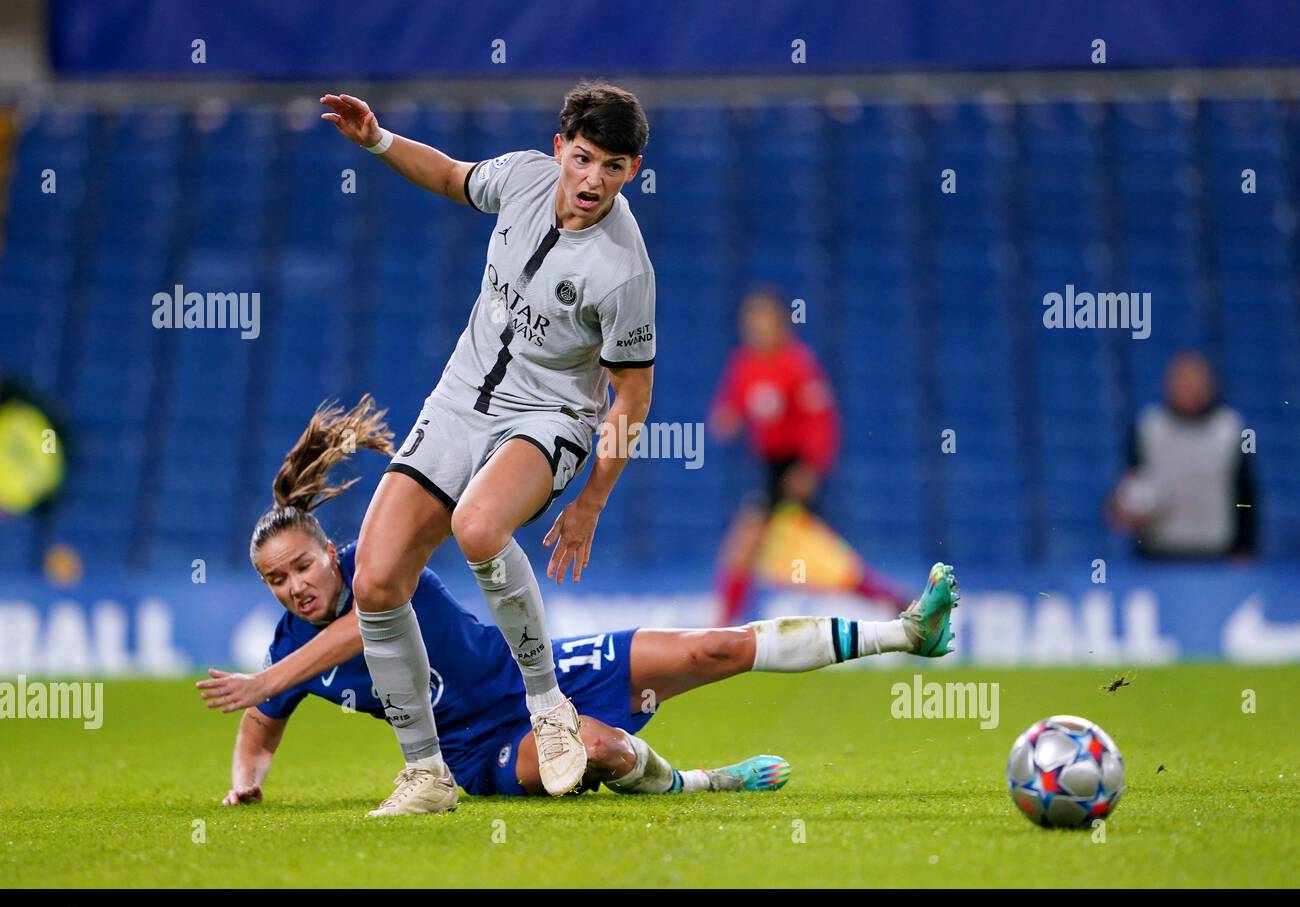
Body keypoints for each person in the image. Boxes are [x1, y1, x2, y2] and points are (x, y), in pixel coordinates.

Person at [197, 399, 960, 809]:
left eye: (301, 566)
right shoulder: (289, 651)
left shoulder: (376, 566)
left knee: (710, 648)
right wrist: (248, 778)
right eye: (277, 581)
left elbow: (364, 631)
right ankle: (706, 782)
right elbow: (262, 728)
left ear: (330, 552)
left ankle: (906, 631)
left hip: (544, 680)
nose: (295, 586)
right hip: (477, 749)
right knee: (601, 752)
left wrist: (268, 680)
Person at [318, 81, 656, 810]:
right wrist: (377, 139)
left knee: (477, 527)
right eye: (586, 158)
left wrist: (593, 498)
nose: (595, 179)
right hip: (459, 401)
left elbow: (631, 394)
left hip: (552, 417)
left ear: (632, 170)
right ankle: (427, 775)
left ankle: (549, 708)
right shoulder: (524, 176)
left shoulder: (626, 271)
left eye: (615, 166)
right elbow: (447, 175)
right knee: (375, 581)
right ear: (561, 149)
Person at [710, 288, 906, 625]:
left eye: (762, 320)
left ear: (780, 323)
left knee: (746, 545)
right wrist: (726, 417)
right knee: (811, 553)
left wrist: (810, 468)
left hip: (794, 466)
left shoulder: (797, 363)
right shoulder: (745, 363)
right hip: (769, 468)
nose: (755, 328)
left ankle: (720, 629)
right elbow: (733, 403)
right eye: (750, 321)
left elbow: (822, 421)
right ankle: (891, 599)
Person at [1108, 351, 1255, 559]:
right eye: (1181, 380)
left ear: (1209, 385)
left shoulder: (1230, 429)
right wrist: (1123, 509)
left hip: (1215, 554)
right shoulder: (1149, 427)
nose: (1187, 388)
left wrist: (1245, 546)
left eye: (1194, 381)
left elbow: (1245, 493)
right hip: (1160, 555)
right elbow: (1131, 484)